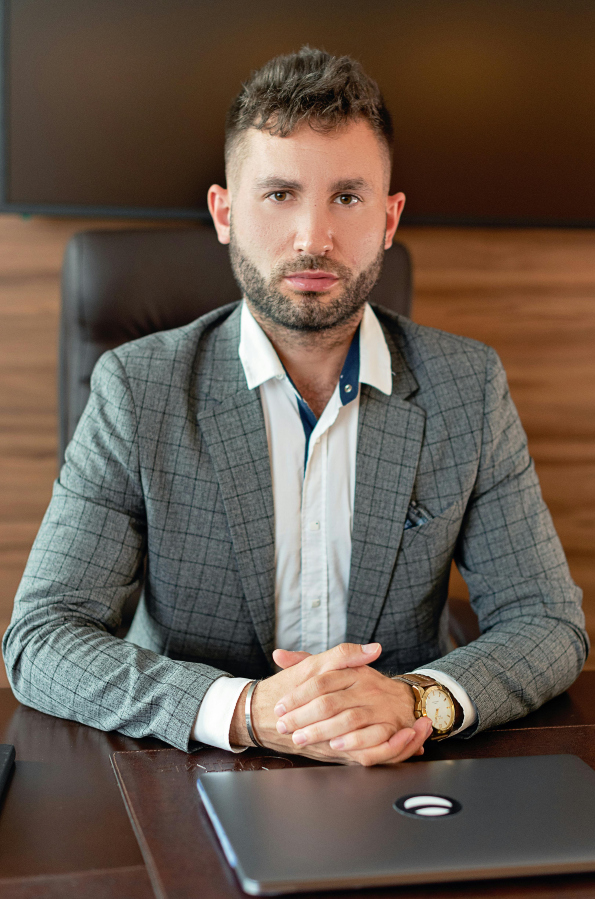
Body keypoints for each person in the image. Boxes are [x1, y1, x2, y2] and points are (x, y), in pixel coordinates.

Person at [3, 48, 588, 766]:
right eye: (279, 194)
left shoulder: (466, 387)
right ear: (225, 213)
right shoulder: (136, 388)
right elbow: (42, 637)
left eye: (347, 197)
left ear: (389, 218)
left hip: (398, 765)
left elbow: (547, 621)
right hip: (192, 765)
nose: (313, 237)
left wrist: (416, 702)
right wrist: (248, 711)